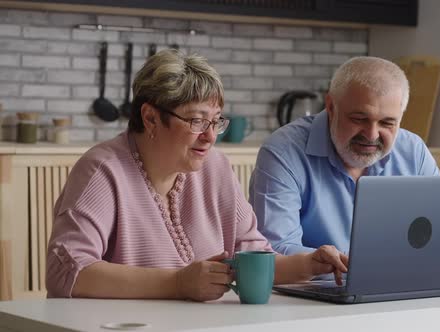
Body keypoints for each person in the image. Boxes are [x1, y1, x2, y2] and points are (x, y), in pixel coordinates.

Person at [46, 50, 347, 302]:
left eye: (216, 122)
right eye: (196, 121)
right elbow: (68, 272)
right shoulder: (102, 170)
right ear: (150, 117)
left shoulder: (215, 167)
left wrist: (310, 264)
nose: (209, 137)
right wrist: (177, 283)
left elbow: (253, 258)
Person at [249, 56, 440, 285]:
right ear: (331, 106)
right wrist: (322, 264)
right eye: (359, 119)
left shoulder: (412, 151)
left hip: (397, 293)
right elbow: (273, 249)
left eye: (387, 123)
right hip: (313, 297)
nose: (371, 135)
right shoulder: (283, 150)